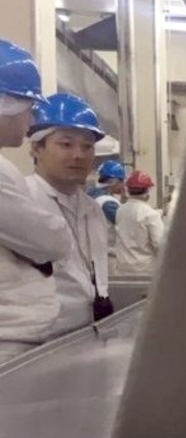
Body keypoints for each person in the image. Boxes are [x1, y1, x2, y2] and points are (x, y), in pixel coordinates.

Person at [0, 40, 71, 360]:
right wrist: (55, 232)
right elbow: (49, 241)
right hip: (9, 342)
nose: (30, 121)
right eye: (28, 109)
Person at [26, 93, 114, 337]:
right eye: (66, 144)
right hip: (38, 342)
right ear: (36, 148)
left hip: (88, 334)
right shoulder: (22, 201)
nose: (79, 155)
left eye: (87, 146)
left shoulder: (93, 209)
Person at [114, 170, 166, 274]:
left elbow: (136, 217)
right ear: (147, 190)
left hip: (122, 269)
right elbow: (160, 245)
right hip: (145, 271)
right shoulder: (151, 215)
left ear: (128, 190)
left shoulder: (120, 210)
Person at [88, 159, 125, 225]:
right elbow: (125, 224)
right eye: (121, 181)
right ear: (114, 181)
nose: (123, 185)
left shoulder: (89, 195)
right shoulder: (109, 203)